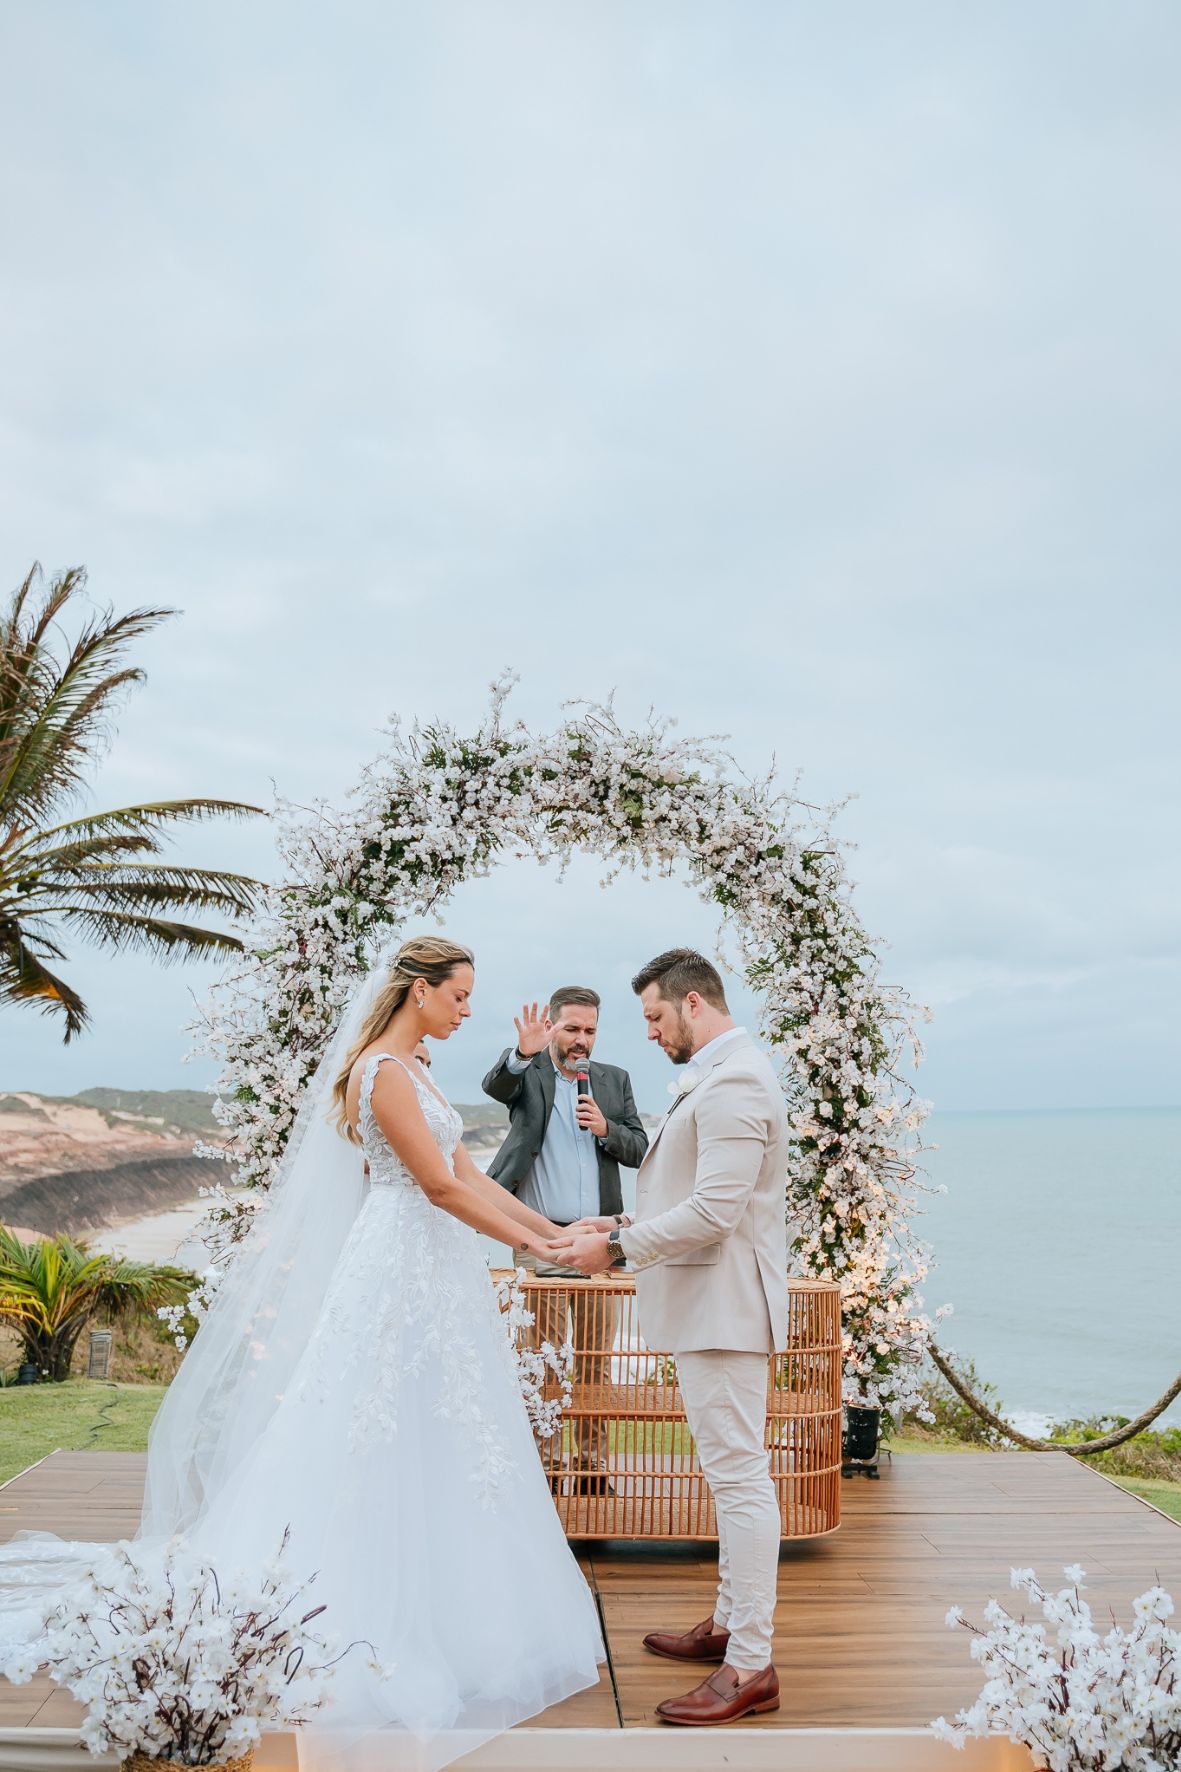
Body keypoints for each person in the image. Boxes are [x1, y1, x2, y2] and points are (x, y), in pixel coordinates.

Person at [0, 938, 603, 1772]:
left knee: (447, 1422)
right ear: (418, 990)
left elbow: (470, 1173)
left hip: (437, 1271)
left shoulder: (419, 1069)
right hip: (396, 1264)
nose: (468, 1009)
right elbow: (436, 1187)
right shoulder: (381, 1075)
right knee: (369, 1420)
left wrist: (553, 1232)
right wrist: (537, 1252)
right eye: (458, 995)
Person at [553, 948, 789, 1727]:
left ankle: (749, 1664)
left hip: (724, 1310)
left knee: (739, 1479)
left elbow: (717, 1213)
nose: (649, 1033)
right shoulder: (718, 1079)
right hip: (707, 1306)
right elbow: (692, 1194)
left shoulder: (736, 1082)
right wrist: (614, 1220)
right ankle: (726, 1622)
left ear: (693, 1004)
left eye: (654, 1016)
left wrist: (617, 1250)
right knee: (727, 1476)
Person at [481, 987, 648, 1492]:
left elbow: (639, 1149)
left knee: (596, 1360)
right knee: (543, 1358)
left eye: (589, 1031)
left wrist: (606, 1128)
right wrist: (522, 1052)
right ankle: (549, 1467)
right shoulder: (528, 1071)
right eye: (572, 1029)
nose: (582, 1040)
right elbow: (496, 1085)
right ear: (552, 1026)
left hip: (599, 1243)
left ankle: (592, 1466)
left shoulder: (615, 1080)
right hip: (539, 1239)